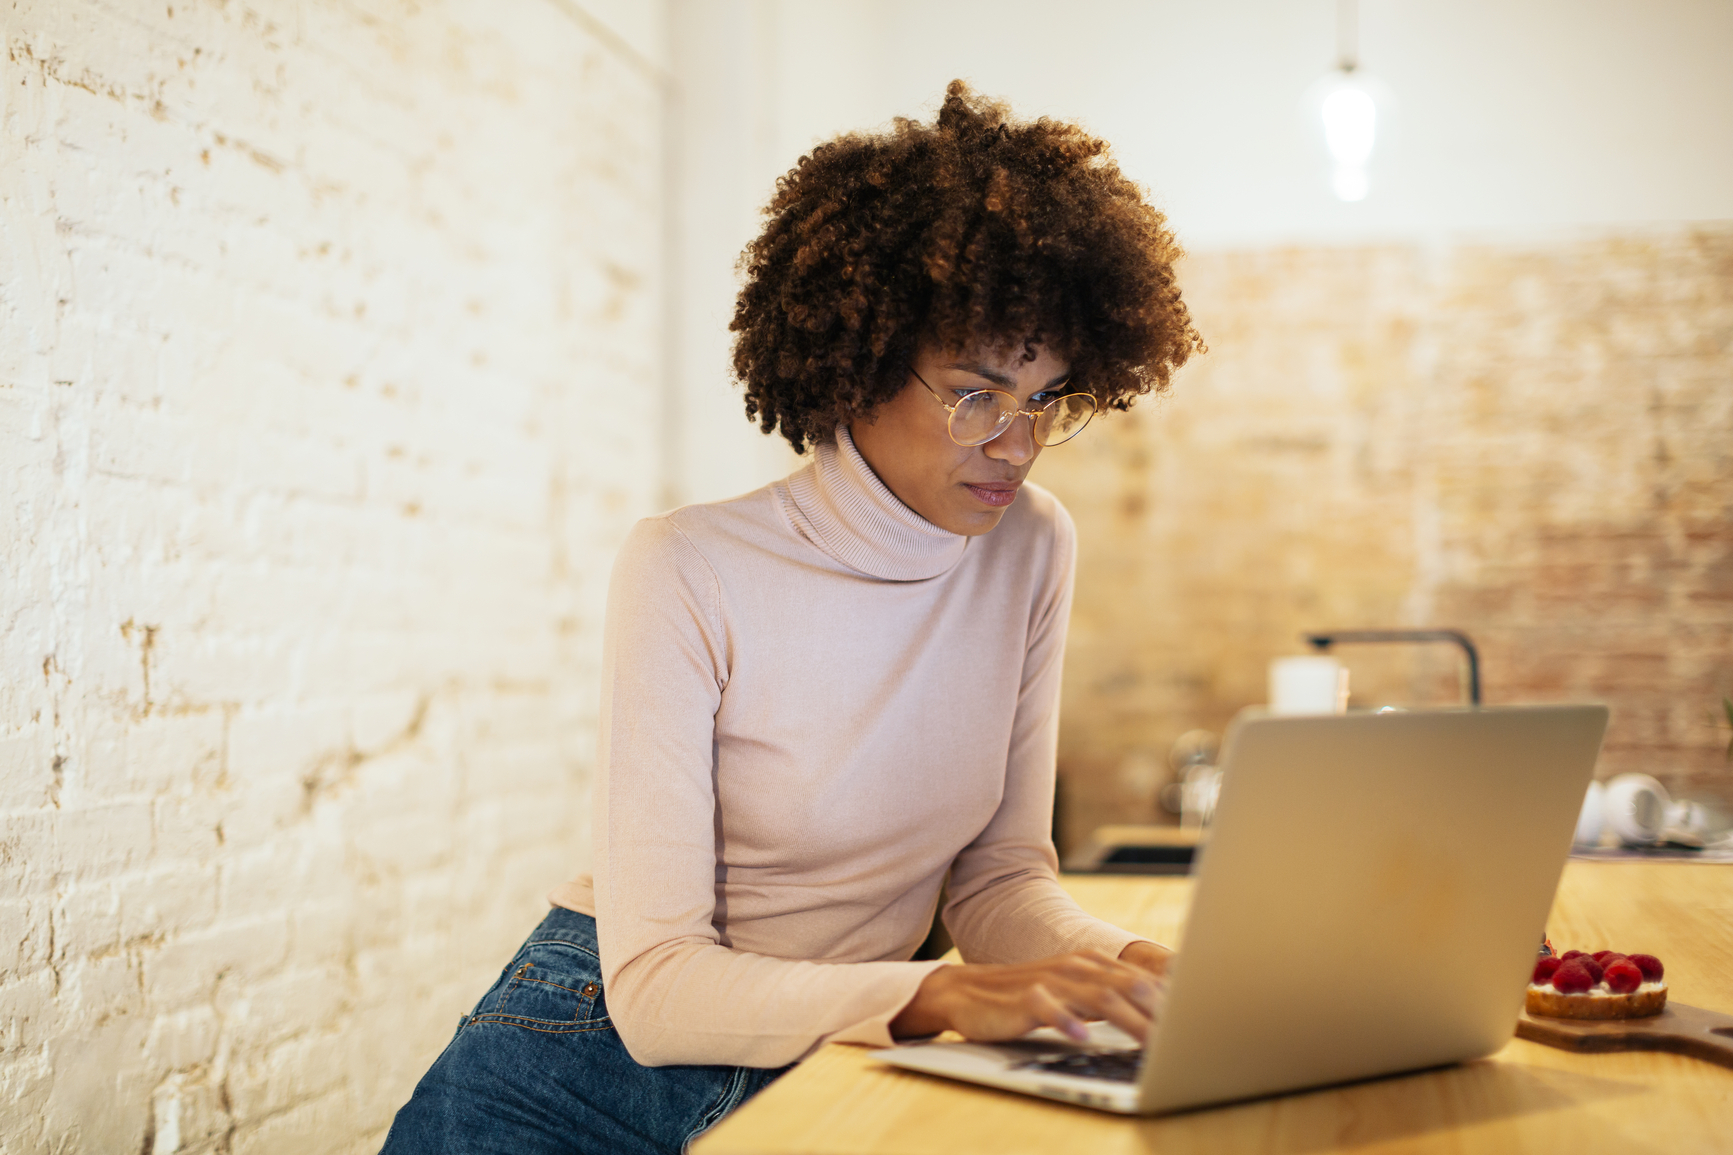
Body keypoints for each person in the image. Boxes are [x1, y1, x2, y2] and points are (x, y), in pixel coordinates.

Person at [382, 80, 1203, 1155]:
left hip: (823, 1048)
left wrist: (1123, 966)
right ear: (859, 367)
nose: (1016, 445)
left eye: (1046, 398)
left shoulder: (1030, 546)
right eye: (976, 396)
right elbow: (657, 990)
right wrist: (934, 995)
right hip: (582, 1067)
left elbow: (999, 878)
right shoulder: (688, 567)